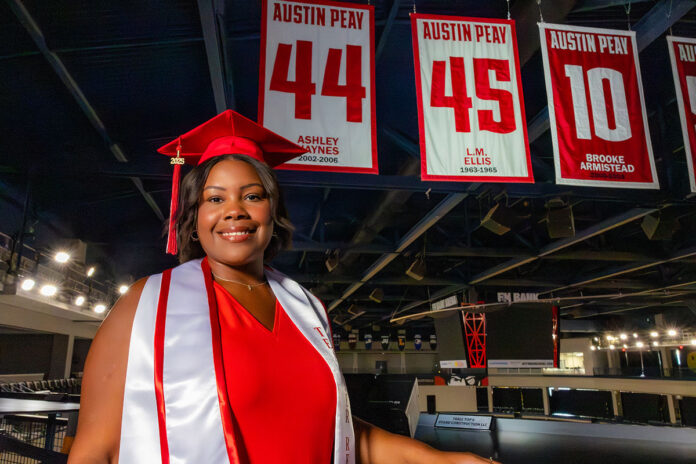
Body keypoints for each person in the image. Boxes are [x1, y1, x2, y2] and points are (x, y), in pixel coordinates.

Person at [68, 110, 499, 464]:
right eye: (215, 199)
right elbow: (95, 450)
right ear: (193, 220)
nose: (234, 211)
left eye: (252, 196)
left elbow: (339, 435)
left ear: (274, 213)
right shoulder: (147, 305)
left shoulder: (306, 309)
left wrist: (441, 460)